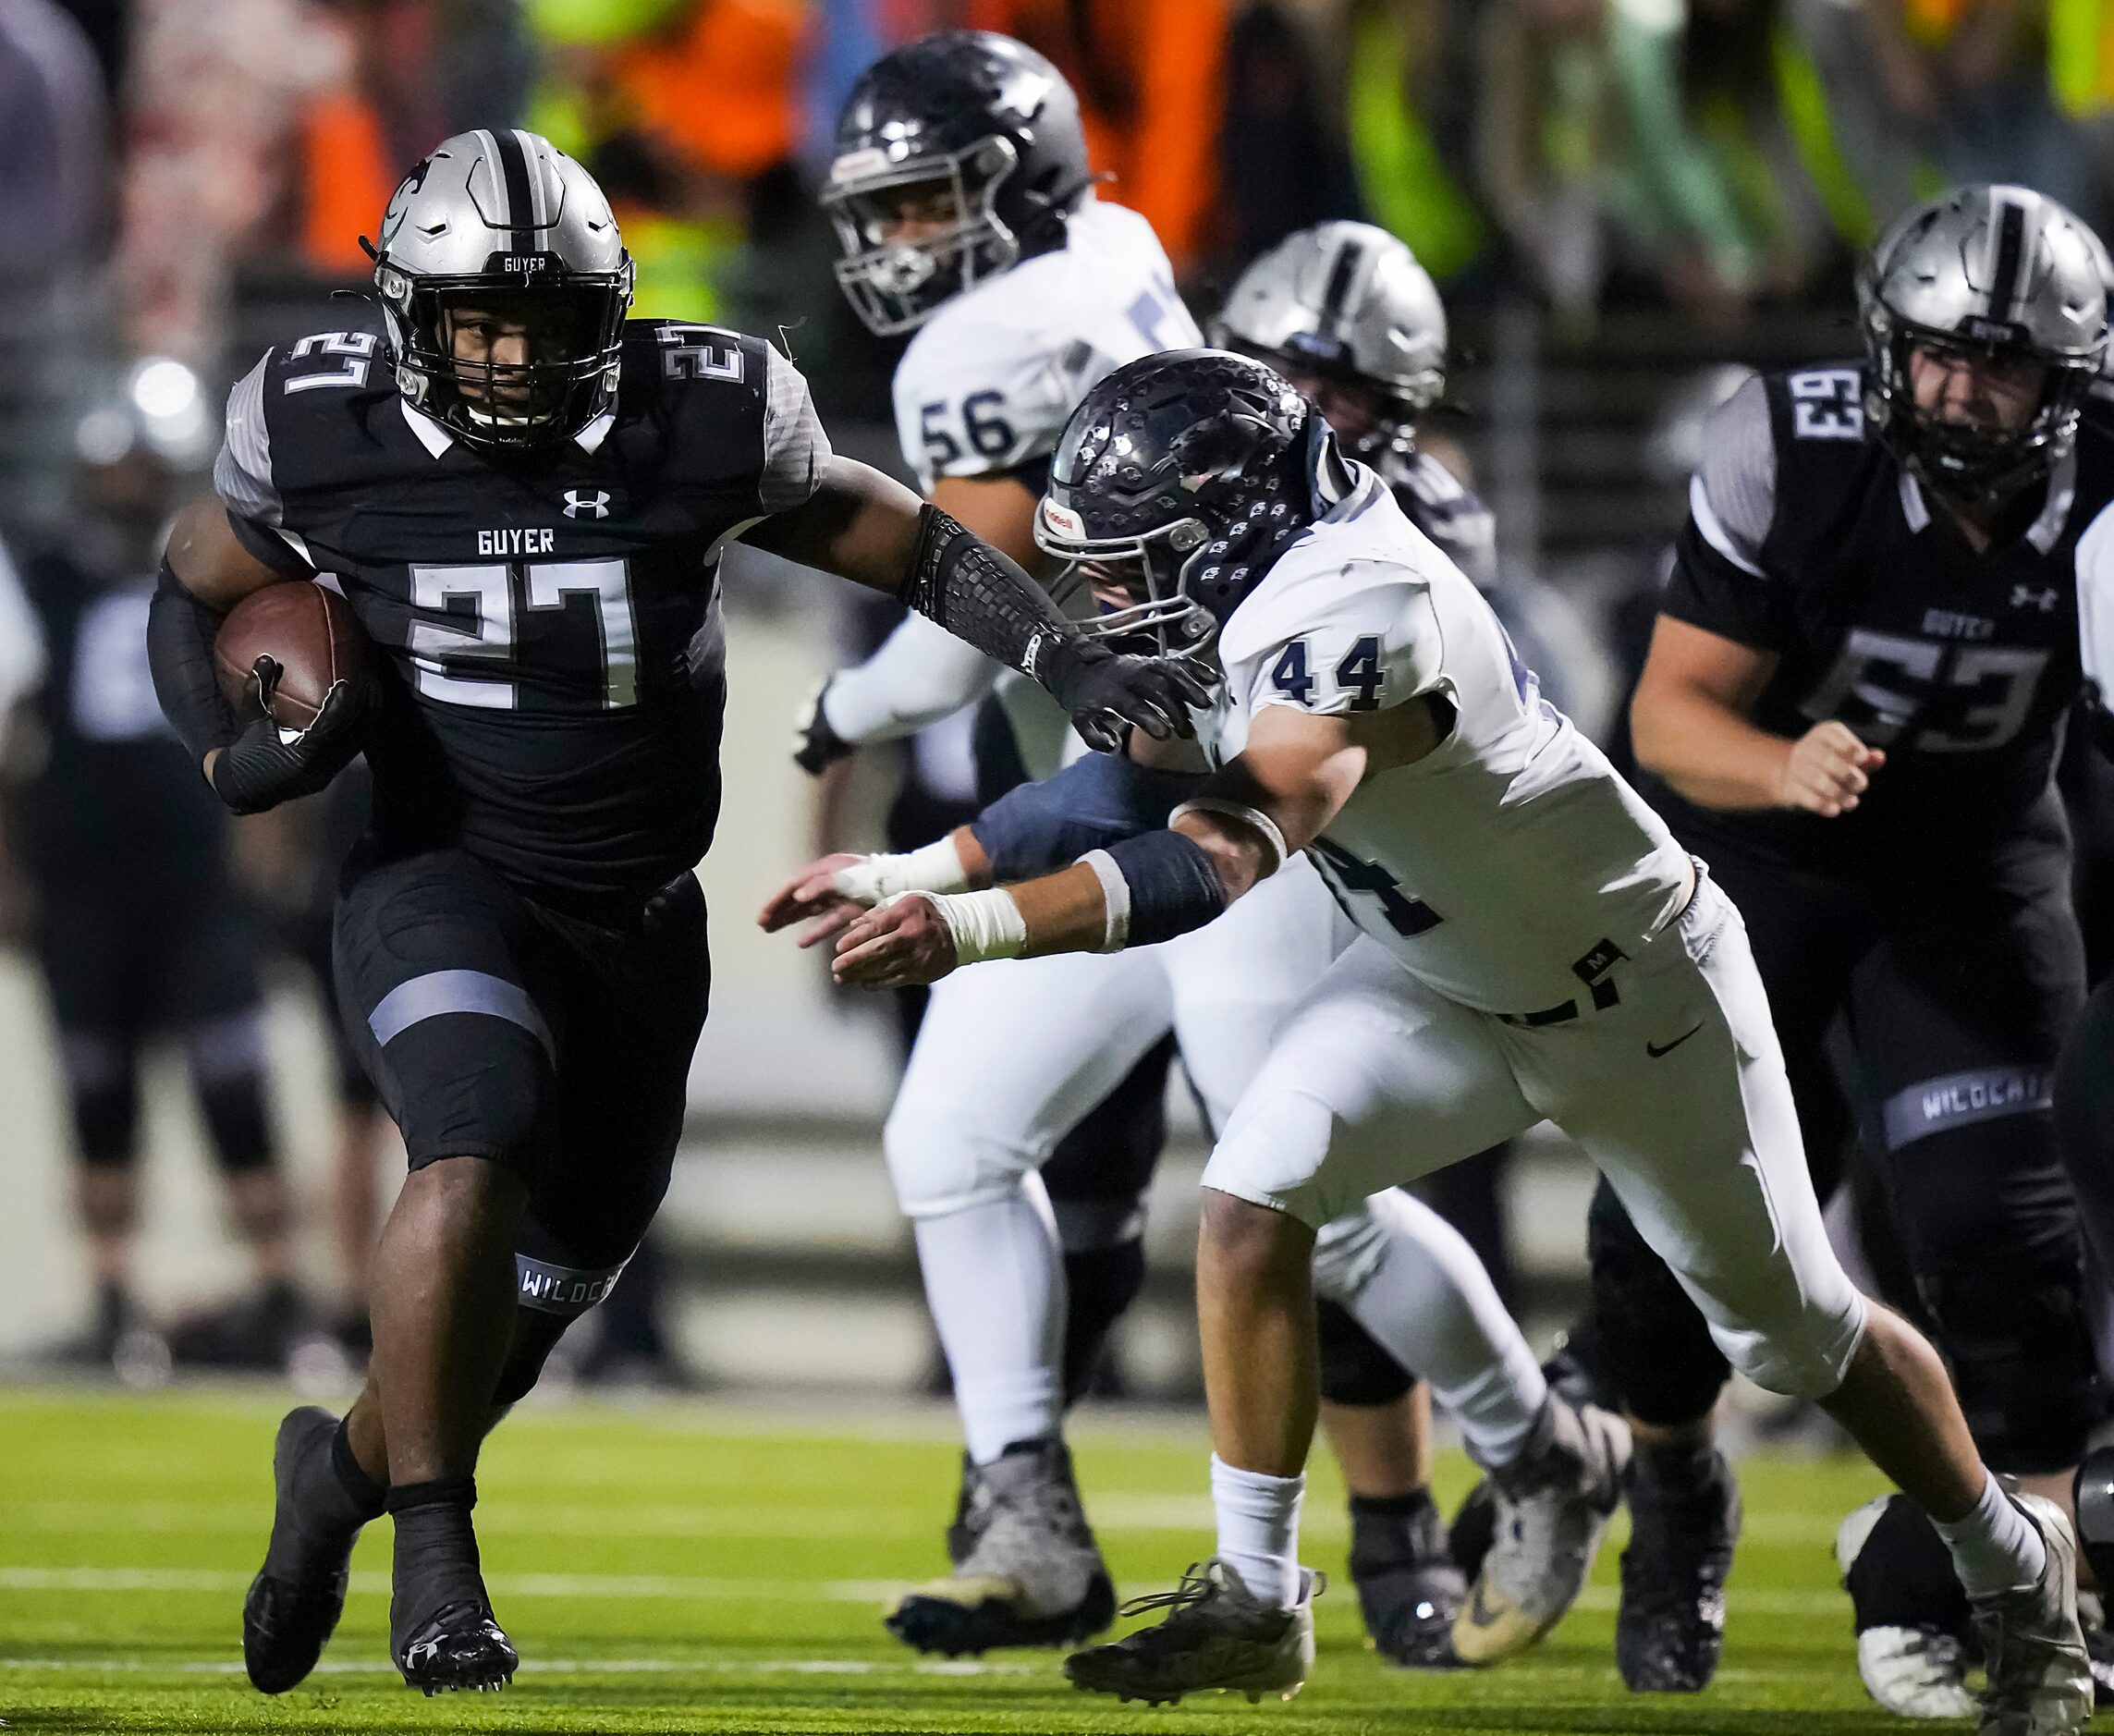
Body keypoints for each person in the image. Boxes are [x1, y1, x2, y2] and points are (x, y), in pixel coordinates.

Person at [823, 346, 2094, 1733]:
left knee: (1796, 1336)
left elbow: (1225, 850)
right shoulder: (1255, 587)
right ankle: (1255, 1597)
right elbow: (1123, 774)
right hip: (1443, 982)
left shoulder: (1360, 602)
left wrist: (978, 929)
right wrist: (909, 873)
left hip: (1634, 992)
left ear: (1232, 526)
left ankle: (2013, 1575)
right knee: (1250, 1203)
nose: (1110, 595)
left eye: (1135, 561)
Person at [145, 127, 1202, 1698]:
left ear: (612, 310)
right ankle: (437, 1561)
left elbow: (900, 534)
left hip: (636, 907)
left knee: (549, 1289)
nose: (508, 358)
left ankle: (337, 1482)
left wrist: (1066, 653)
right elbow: (191, 585)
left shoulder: (696, 415)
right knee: (475, 1132)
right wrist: (227, 747)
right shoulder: (323, 425)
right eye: (478, 322)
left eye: (544, 321)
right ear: (407, 314)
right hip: (439, 869)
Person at [780, 70, 1619, 1662]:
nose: (894, 241)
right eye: (878, 210)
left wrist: (840, 711)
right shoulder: (1114, 241)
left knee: (1308, 1198)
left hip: (1238, 793)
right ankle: (1024, 1509)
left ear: (1009, 184)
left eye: (918, 202)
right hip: (1114, 777)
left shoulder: (989, 338)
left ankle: (1538, 1450)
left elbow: (962, 606)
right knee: (949, 1137)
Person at [1592, 183, 2114, 1710]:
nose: (1960, 387)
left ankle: (2026, 1591)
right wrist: (1784, 764)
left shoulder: (2100, 491)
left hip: (1973, 872)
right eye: (1939, 351)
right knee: (1665, 1246)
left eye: (2001, 363)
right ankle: (1676, 1496)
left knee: (1999, 1228)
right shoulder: (1795, 448)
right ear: (1886, 342)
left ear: (2065, 379)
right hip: (1763, 867)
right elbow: (1667, 716)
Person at [13, 391, 303, 1374]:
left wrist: (274, 838)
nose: (129, 482)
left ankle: (278, 1291)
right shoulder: (42, 578)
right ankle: (108, 1298)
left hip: (198, 869)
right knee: (98, 1092)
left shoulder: (227, 577)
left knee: (235, 1084)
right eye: (116, 464)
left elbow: (289, 706)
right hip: (83, 873)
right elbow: (14, 732)